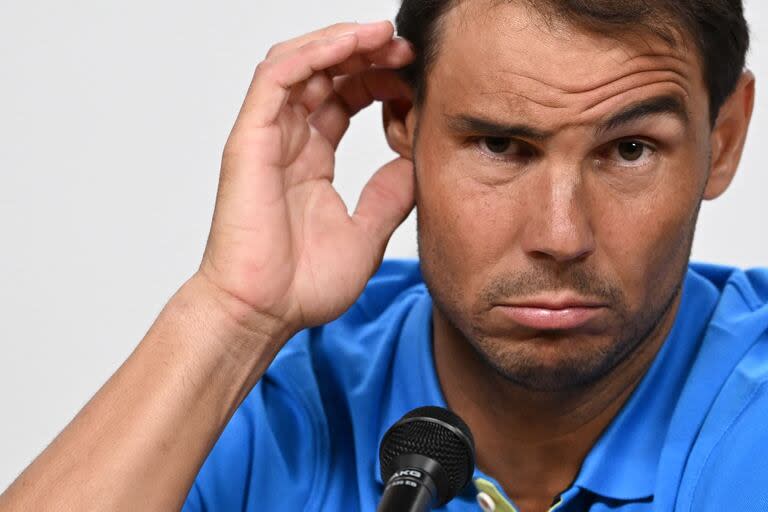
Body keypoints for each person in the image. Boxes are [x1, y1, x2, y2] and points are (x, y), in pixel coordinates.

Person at [0, 0, 764, 510]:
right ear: (403, 118)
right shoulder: (279, 405)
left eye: (630, 150)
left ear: (721, 141)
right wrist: (231, 316)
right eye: (500, 145)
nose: (561, 236)